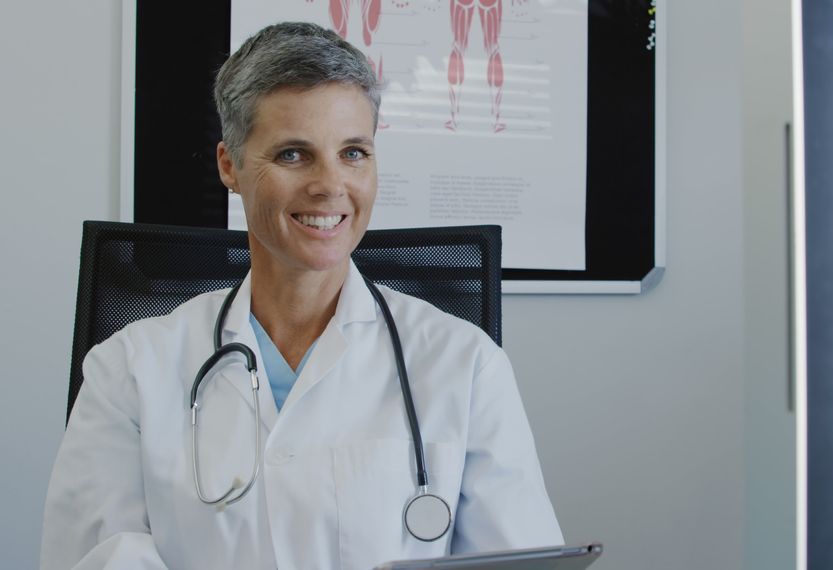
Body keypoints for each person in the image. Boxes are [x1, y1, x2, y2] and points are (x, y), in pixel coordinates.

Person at [40, 22, 562, 570]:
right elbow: (94, 557)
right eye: (293, 155)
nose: (330, 185)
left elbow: (516, 560)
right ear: (229, 166)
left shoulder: (466, 364)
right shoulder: (129, 368)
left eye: (354, 152)